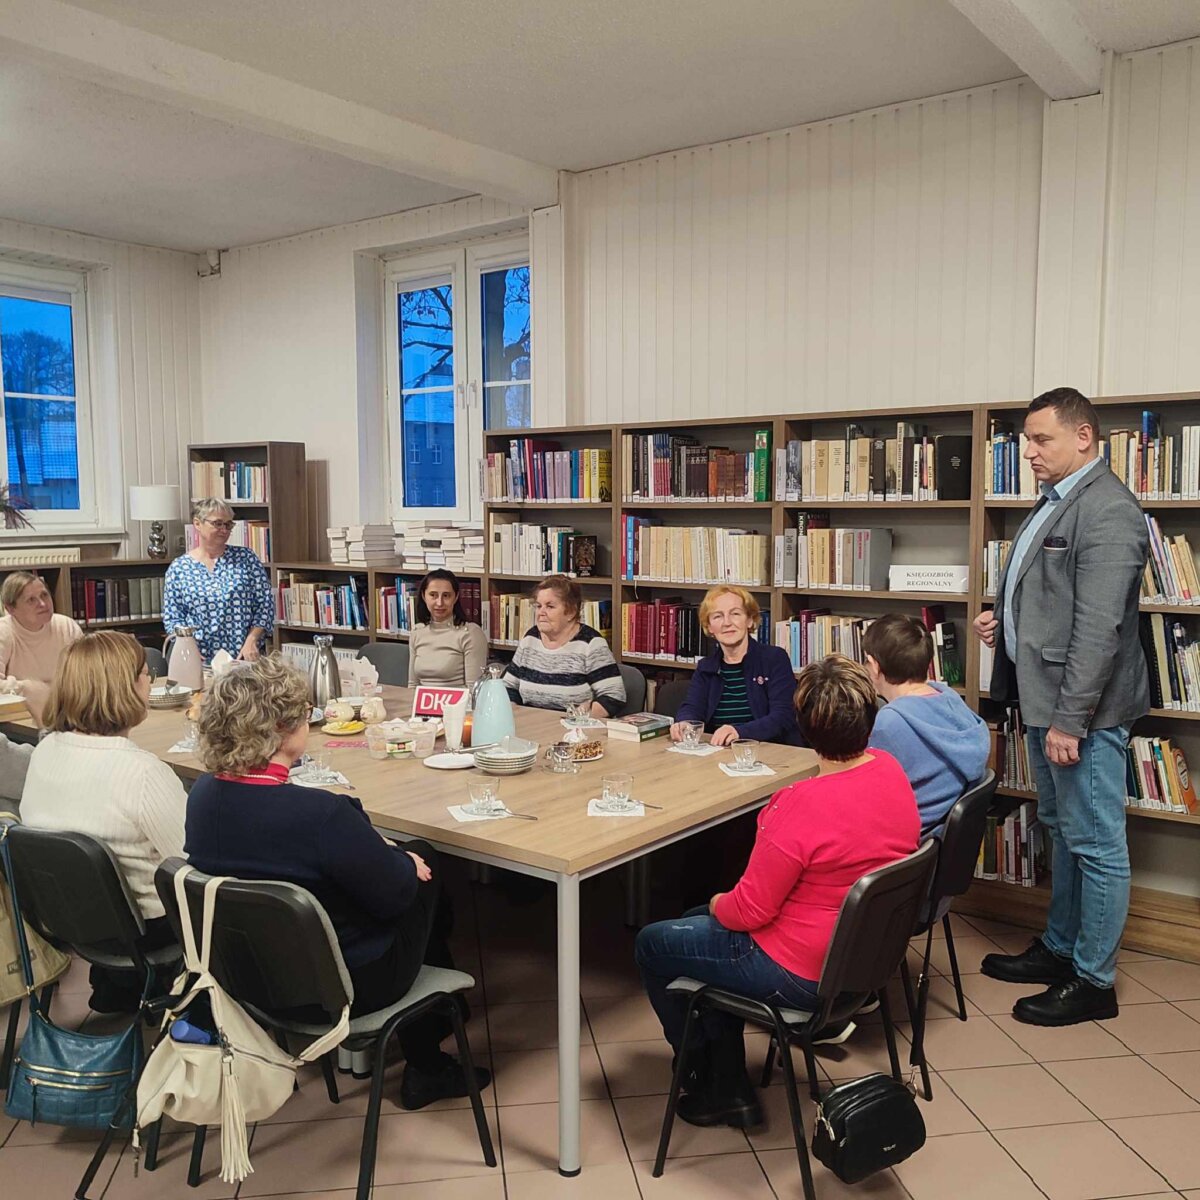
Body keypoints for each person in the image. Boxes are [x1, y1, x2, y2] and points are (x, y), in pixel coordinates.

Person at [185, 655, 488, 1110]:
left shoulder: (202, 795)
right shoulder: (320, 815)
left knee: (392, 868)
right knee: (425, 860)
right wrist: (400, 858)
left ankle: (438, 1019)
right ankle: (428, 1058)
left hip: (249, 978)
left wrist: (372, 845)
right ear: (285, 729)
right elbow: (395, 898)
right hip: (343, 985)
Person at [635, 654, 920, 1129]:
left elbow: (746, 910)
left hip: (800, 971)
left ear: (805, 729)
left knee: (654, 942)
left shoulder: (797, 805)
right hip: (862, 958)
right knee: (694, 928)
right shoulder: (889, 770)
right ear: (870, 720)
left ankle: (711, 1073)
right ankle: (723, 1077)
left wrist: (715, 902)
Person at [973, 387, 1149, 1027]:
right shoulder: (1056, 500)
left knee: (1096, 843)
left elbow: (1100, 631)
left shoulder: (1108, 511)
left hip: (1084, 713)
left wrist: (1071, 722)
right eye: (1025, 440)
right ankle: (1060, 948)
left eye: (1041, 439)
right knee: (1065, 830)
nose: (1029, 452)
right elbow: (1051, 595)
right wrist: (1009, 622)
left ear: (1083, 437)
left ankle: (1093, 979)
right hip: (1044, 697)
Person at [20, 631, 186, 1012]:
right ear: (124, 688)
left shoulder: (45, 750)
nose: (151, 681)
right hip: (146, 930)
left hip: (70, 920)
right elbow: (197, 863)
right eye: (146, 674)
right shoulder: (141, 772)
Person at [863, 612, 989, 833]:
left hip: (907, 840)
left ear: (874, 666)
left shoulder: (892, 720)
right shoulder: (949, 698)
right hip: (935, 839)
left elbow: (869, 792)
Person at [671, 585, 802, 746]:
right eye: (718, 616)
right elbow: (692, 706)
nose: (727, 623)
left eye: (735, 614)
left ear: (750, 620)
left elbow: (783, 716)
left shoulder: (774, 659)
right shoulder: (706, 667)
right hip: (719, 753)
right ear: (710, 627)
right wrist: (685, 723)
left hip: (769, 752)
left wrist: (739, 732)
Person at [163, 498, 274, 663]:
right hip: (198, 659)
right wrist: (187, 645)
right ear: (197, 523)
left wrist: (252, 640)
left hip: (243, 656)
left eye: (229, 525)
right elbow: (173, 617)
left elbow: (265, 605)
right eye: (218, 523)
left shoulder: (246, 559)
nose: (224, 530)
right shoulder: (179, 568)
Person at [502, 574, 625, 717]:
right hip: (530, 726)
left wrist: (584, 715)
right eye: (538, 606)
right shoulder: (531, 638)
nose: (541, 612)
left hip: (575, 730)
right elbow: (508, 687)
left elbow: (614, 697)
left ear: (571, 612)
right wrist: (514, 713)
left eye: (550, 606)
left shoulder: (590, 643)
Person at [0, 571, 83, 724]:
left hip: (69, 713)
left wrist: (40, 691)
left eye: (44, 595)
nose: (43, 604)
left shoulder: (66, 626)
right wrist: (28, 688)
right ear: (10, 609)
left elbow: (87, 677)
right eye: (31, 600)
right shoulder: (4, 632)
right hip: (19, 720)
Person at [408, 569, 487, 688]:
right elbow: (413, 685)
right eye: (433, 595)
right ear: (424, 596)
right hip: (423, 704)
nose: (439, 603)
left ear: (455, 598)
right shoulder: (417, 632)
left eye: (446, 596)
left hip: (456, 705)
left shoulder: (470, 633)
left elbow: (474, 690)